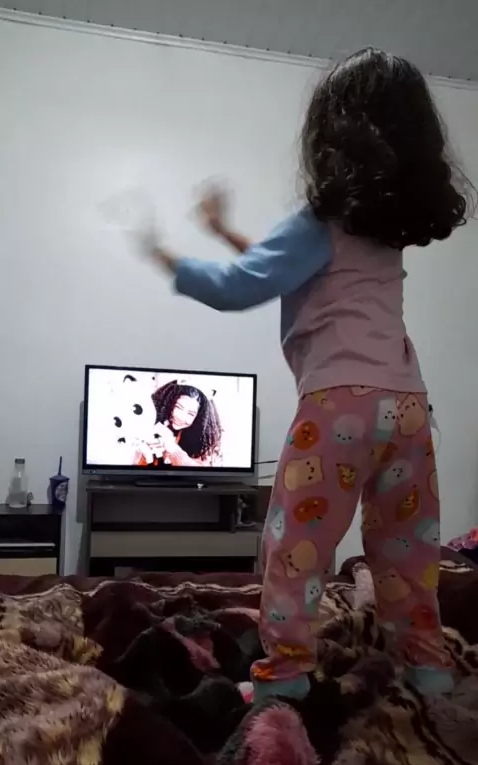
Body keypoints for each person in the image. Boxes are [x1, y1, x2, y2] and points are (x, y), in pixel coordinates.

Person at [140, 48, 473, 699]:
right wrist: (226, 230)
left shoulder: (318, 223)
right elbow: (287, 271)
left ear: (326, 136)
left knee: (295, 546)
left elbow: (242, 286)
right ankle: (428, 666)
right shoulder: (383, 230)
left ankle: (286, 674)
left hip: (338, 408)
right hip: (408, 408)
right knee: (406, 550)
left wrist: (165, 258)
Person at [134, 380, 223, 467]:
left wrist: (173, 450)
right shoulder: (147, 424)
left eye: (191, 414)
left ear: (199, 418)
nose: (181, 417)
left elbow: (201, 473)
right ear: (169, 402)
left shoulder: (204, 443)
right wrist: (143, 453)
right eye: (178, 407)